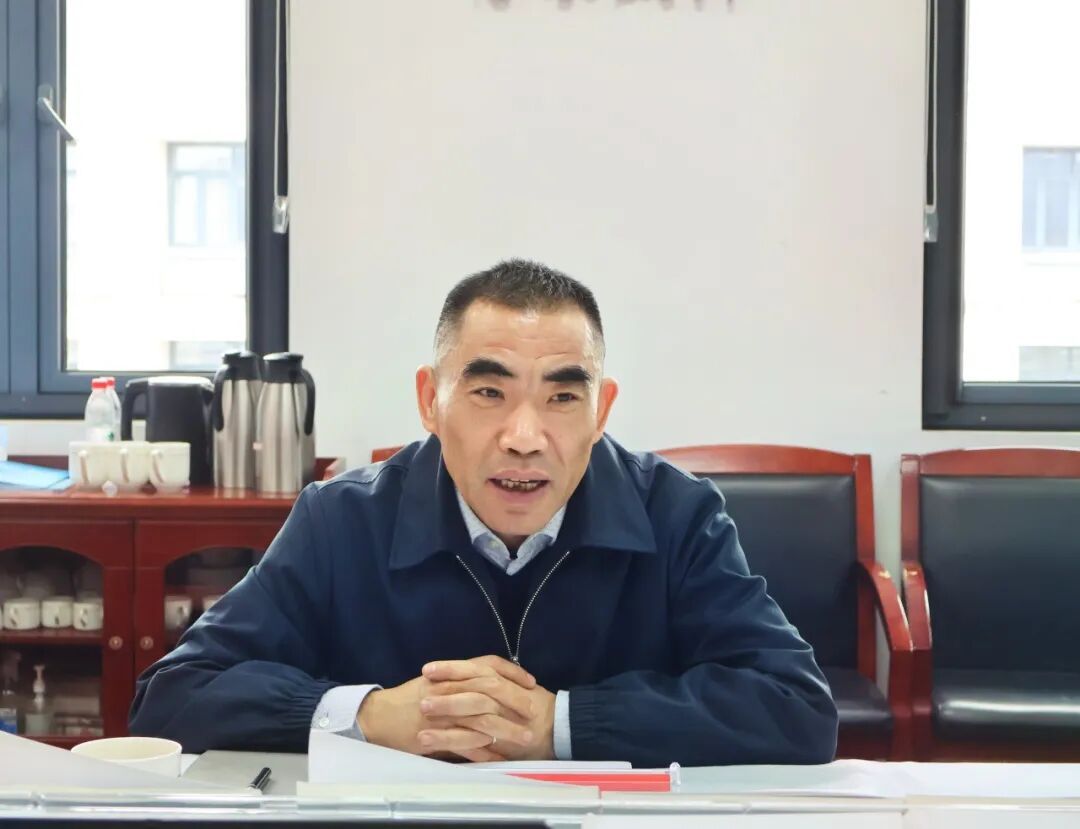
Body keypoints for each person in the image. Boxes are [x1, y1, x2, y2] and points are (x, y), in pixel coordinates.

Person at [129, 259, 837, 766]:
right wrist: (371, 715)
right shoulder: (341, 519)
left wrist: (559, 723)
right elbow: (173, 695)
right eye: (489, 393)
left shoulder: (677, 513)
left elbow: (796, 705)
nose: (525, 437)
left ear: (602, 411)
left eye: (563, 397)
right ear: (430, 401)